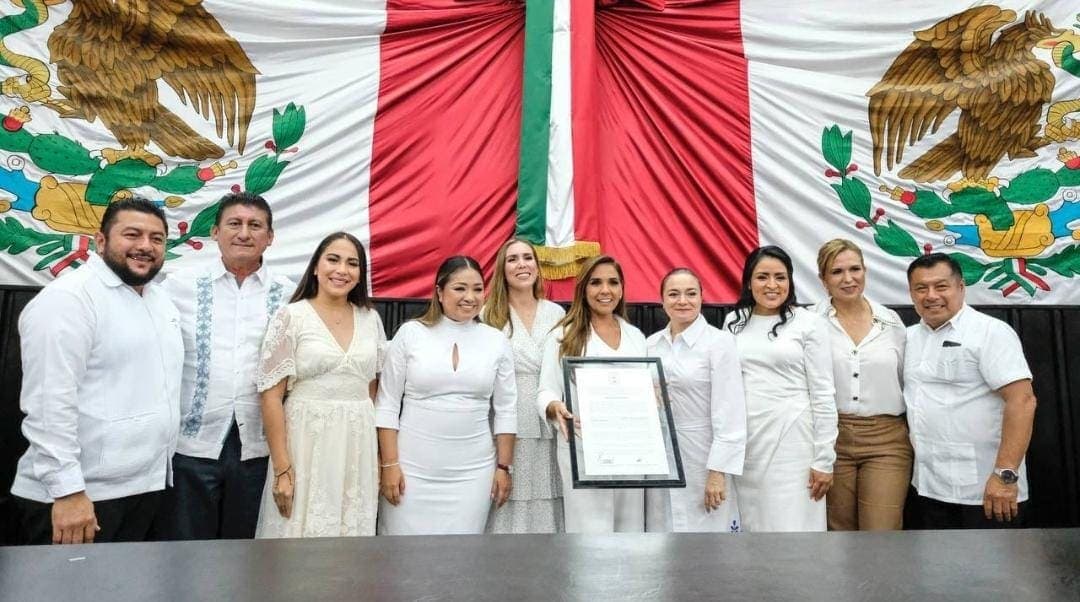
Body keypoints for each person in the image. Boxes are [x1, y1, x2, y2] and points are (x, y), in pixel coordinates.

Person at [10, 197, 183, 545]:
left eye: (157, 238)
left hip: (144, 489)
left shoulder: (160, 300)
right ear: (100, 241)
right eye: (132, 234)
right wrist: (68, 491)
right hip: (78, 500)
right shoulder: (68, 300)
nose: (145, 246)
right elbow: (49, 405)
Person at [156, 192, 294, 540]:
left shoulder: (290, 295)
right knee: (187, 550)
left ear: (270, 237)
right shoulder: (178, 287)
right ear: (215, 232)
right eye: (234, 223)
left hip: (258, 447)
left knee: (245, 552)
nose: (244, 233)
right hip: (192, 444)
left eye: (255, 225)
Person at [254, 232, 386, 537]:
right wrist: (282, 468)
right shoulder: (292, 316)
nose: (342, 270)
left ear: (360, 274)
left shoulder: (370, 319)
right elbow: (271, 397)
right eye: (333, 260)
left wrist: (377, 457)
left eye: (352, 263)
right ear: (315, 266)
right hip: (305, 446)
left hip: (357, 447)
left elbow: (371, 390)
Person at [376, 256, 517, 535]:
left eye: (477, 289)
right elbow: (387, 404)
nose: (470, 297)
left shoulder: (497, 341)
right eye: (460, 288)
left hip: (474, 474)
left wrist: (504, 467)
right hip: (410, 470)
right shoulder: (410, 334)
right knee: (404, 553)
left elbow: (506, 410)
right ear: (439, 292)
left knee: (462, 554)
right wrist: (389, 464)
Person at [904, 253, 1037, 529]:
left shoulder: (990, 332)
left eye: (941, 286)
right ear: (911, 293)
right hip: (928, 488)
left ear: (961, 287)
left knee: (995, 559)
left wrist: (1005, 476)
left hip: (988, 492)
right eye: (921, 288)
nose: (931, 295)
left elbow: (1022, 401)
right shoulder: (908, 338)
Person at [724, 245, 837, 532]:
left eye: (780, 277)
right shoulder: (733, 322)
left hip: (794, 443)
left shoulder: (810, 323)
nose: (772, 285)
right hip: (747, 445)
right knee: (752, 526)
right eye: (762, 277)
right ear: (748, 282)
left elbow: (823, 394)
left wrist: (824, 459)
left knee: (792, 528)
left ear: (790, 281)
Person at [538, 255, 648, 533]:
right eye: (596, 283)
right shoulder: (564, 335)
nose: (605, 290)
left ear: (622, 289)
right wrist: (554, 406)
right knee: (588, 535)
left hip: (630, 450)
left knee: (630, 532)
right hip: (583, 448)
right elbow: (546, 390)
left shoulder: (636, 336)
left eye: (613, 282)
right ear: (583, 289)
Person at [813, 239, 911, 531]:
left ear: (865, 271)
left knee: (881, 532)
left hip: (886, 439)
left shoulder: (891, 322)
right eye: (837, 272)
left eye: (855, 269)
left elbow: (907, 379)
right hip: (830, 439)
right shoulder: (809, 322)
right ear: (823, 279)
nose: (848, 278)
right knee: (838, 532)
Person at [645, 268, 747, 533]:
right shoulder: (651, 344)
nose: (683, 301)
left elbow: (730, 412)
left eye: (691, 293)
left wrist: (718, 471)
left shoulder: (719, 342)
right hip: (660, 457)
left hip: (703, 455)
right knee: (663, 534)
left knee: (707, 539)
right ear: (662, 300)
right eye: (673, 294)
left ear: (702, 297)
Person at [482, 239, 566, 533]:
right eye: (513, 259)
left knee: (547, 494)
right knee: (507, 493)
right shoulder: (488, 316)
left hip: (549, 420)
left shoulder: (557, 314)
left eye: (528, 258)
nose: (522, 264)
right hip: (506, 419)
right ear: (502, 269)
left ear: (537, 267)